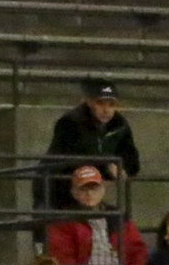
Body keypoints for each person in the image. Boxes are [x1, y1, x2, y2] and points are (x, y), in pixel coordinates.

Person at [46, 166, 148, 265]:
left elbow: (138, 251)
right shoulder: (64, 220)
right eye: (84, 189)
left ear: (102, 190)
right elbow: (62, 255)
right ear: (74, 192)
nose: (89, 193)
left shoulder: (119, 217)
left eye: (94, 188)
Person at [44, 77, 140, 208]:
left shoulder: (120, 126)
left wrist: (123, 168)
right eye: (101, 103)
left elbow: (132, 159)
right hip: (59, 188)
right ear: (89, 102)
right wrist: (107, 167)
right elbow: (68, 159)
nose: (106, 110)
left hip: (94, 188)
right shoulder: (69, 122)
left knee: (113, 214)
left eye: (111, 104)